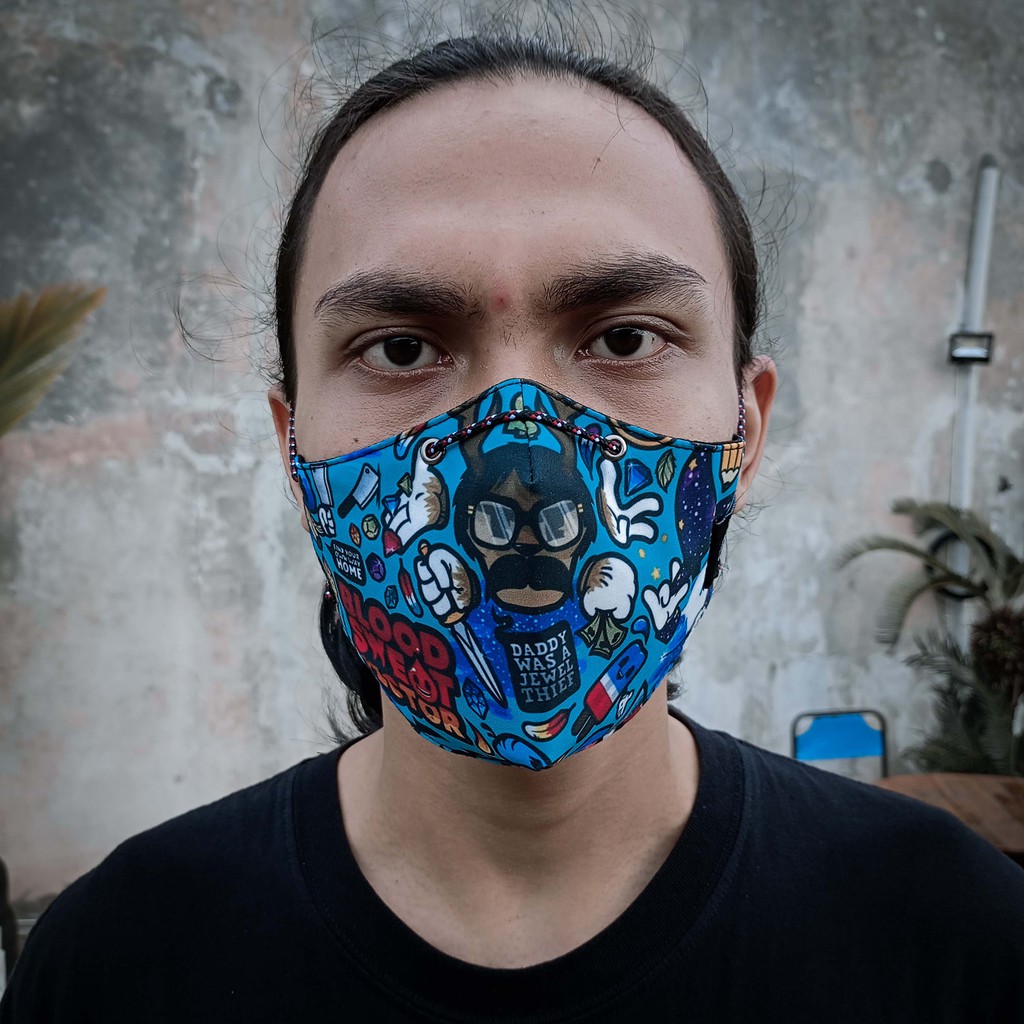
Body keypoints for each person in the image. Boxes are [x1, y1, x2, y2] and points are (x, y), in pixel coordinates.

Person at [4, 25, 1024, 1024]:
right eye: (401, 348)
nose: (518, 451)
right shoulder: (115, 967)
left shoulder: (961, 942)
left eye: (625, 337)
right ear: (293, 445)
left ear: (745, 432)